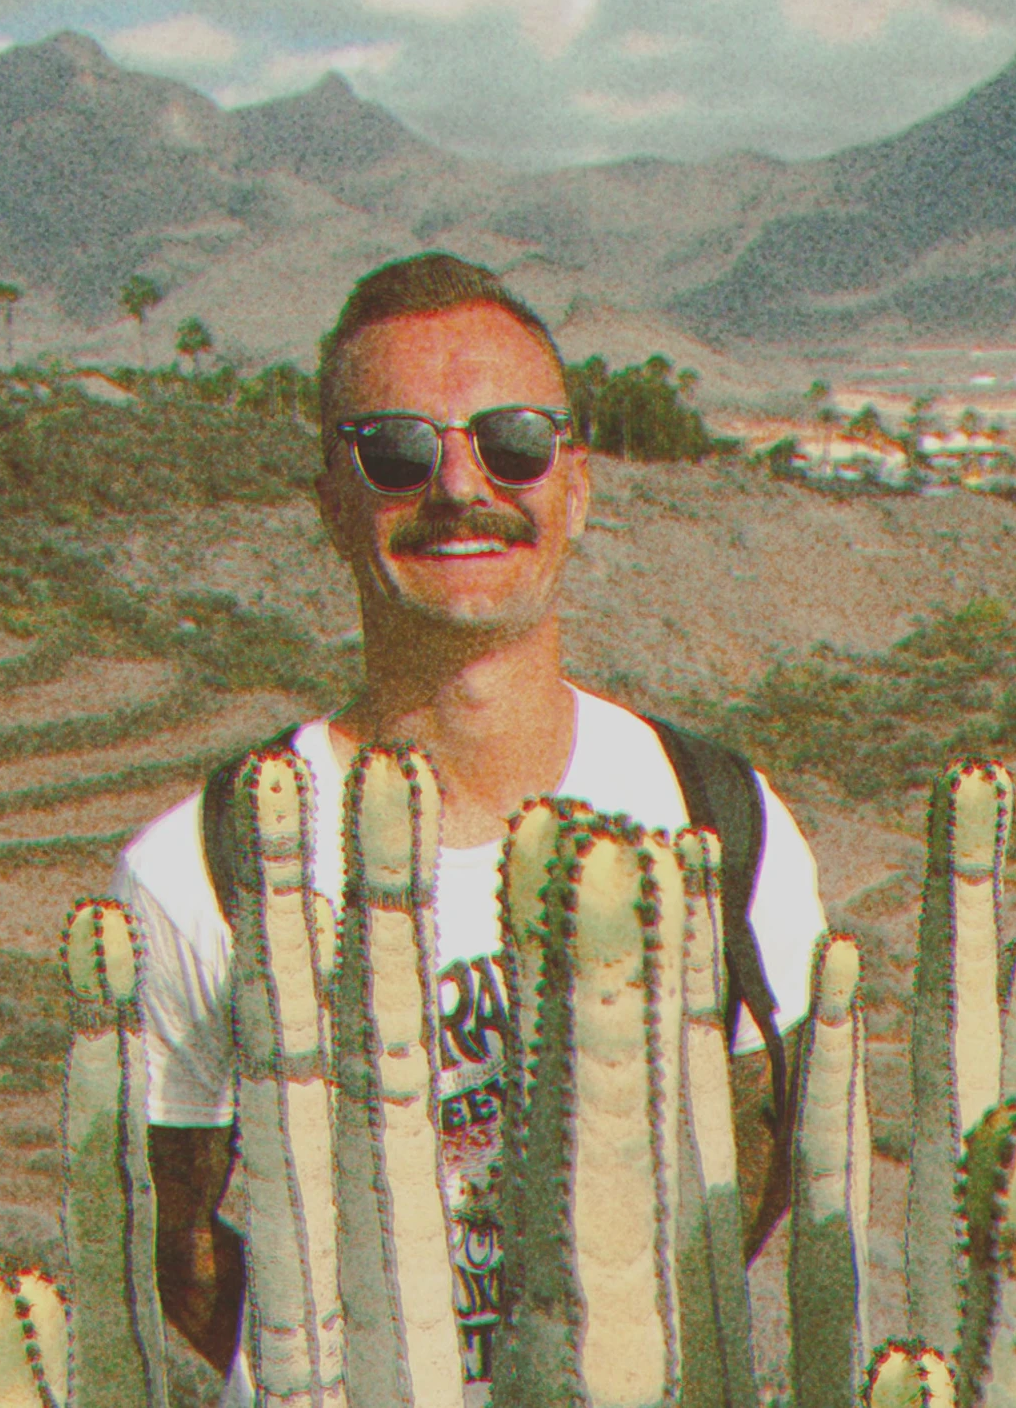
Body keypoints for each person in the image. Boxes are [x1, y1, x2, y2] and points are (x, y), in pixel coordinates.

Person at [109, 252, 828, 1405]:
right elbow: (173, 1241)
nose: (458, 483)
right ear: (330, 501)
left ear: (574, 485)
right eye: (395, 449)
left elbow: (758, 1163)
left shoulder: (717, 818)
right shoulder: (204, 865)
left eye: (512, 441)